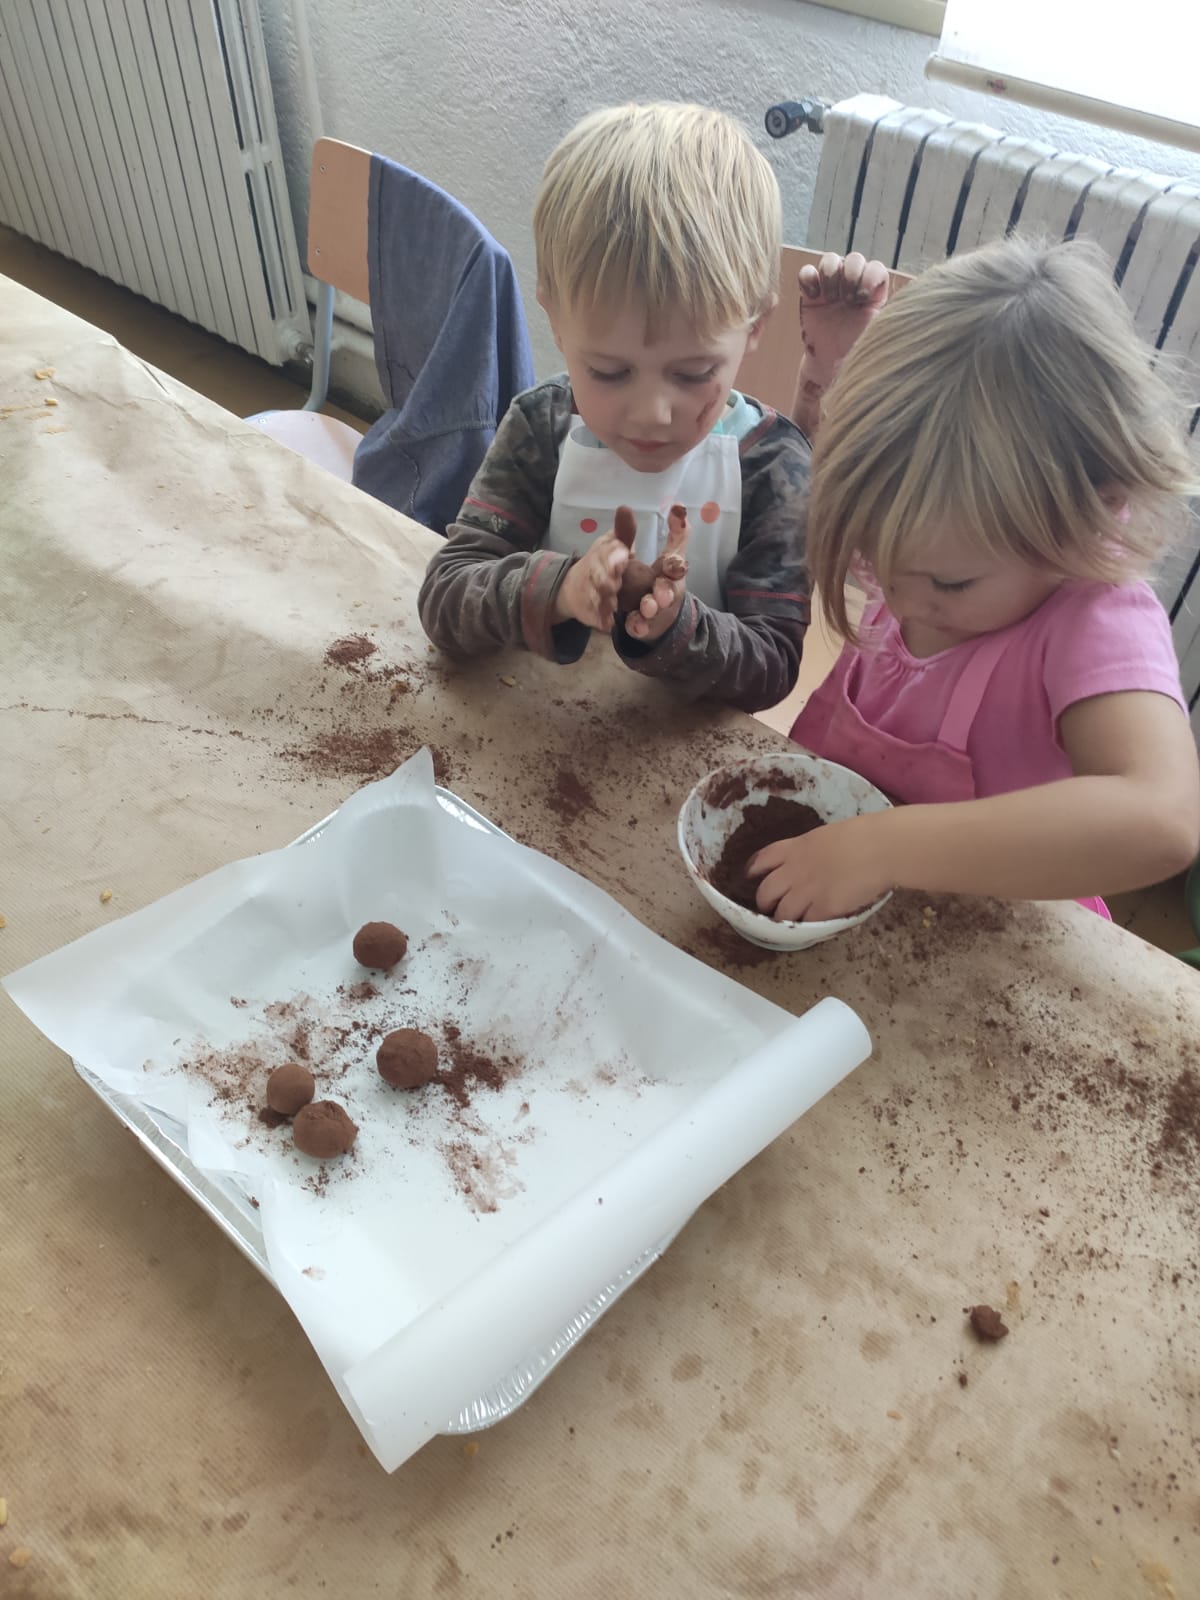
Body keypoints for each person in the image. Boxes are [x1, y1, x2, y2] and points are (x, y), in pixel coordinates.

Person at [750, 236, 1200, 922]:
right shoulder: (931, 537)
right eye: (877, 559)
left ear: (1086, 517)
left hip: (990, 939)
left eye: (949, 585)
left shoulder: (1094, 613)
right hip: (847, 888)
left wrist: (885, 847)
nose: (901, 601)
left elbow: (1163, 817)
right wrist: (828, 375)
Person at [417, 102, 813, 713]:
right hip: (532, 724)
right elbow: (446, 600)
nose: (652, 413)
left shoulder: (773, 464)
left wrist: (677, 627)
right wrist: (559, 588)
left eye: (693, 374)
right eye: (609, 372)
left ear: (755, 326)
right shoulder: (541, 429)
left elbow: (774, 666)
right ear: (554, 318)